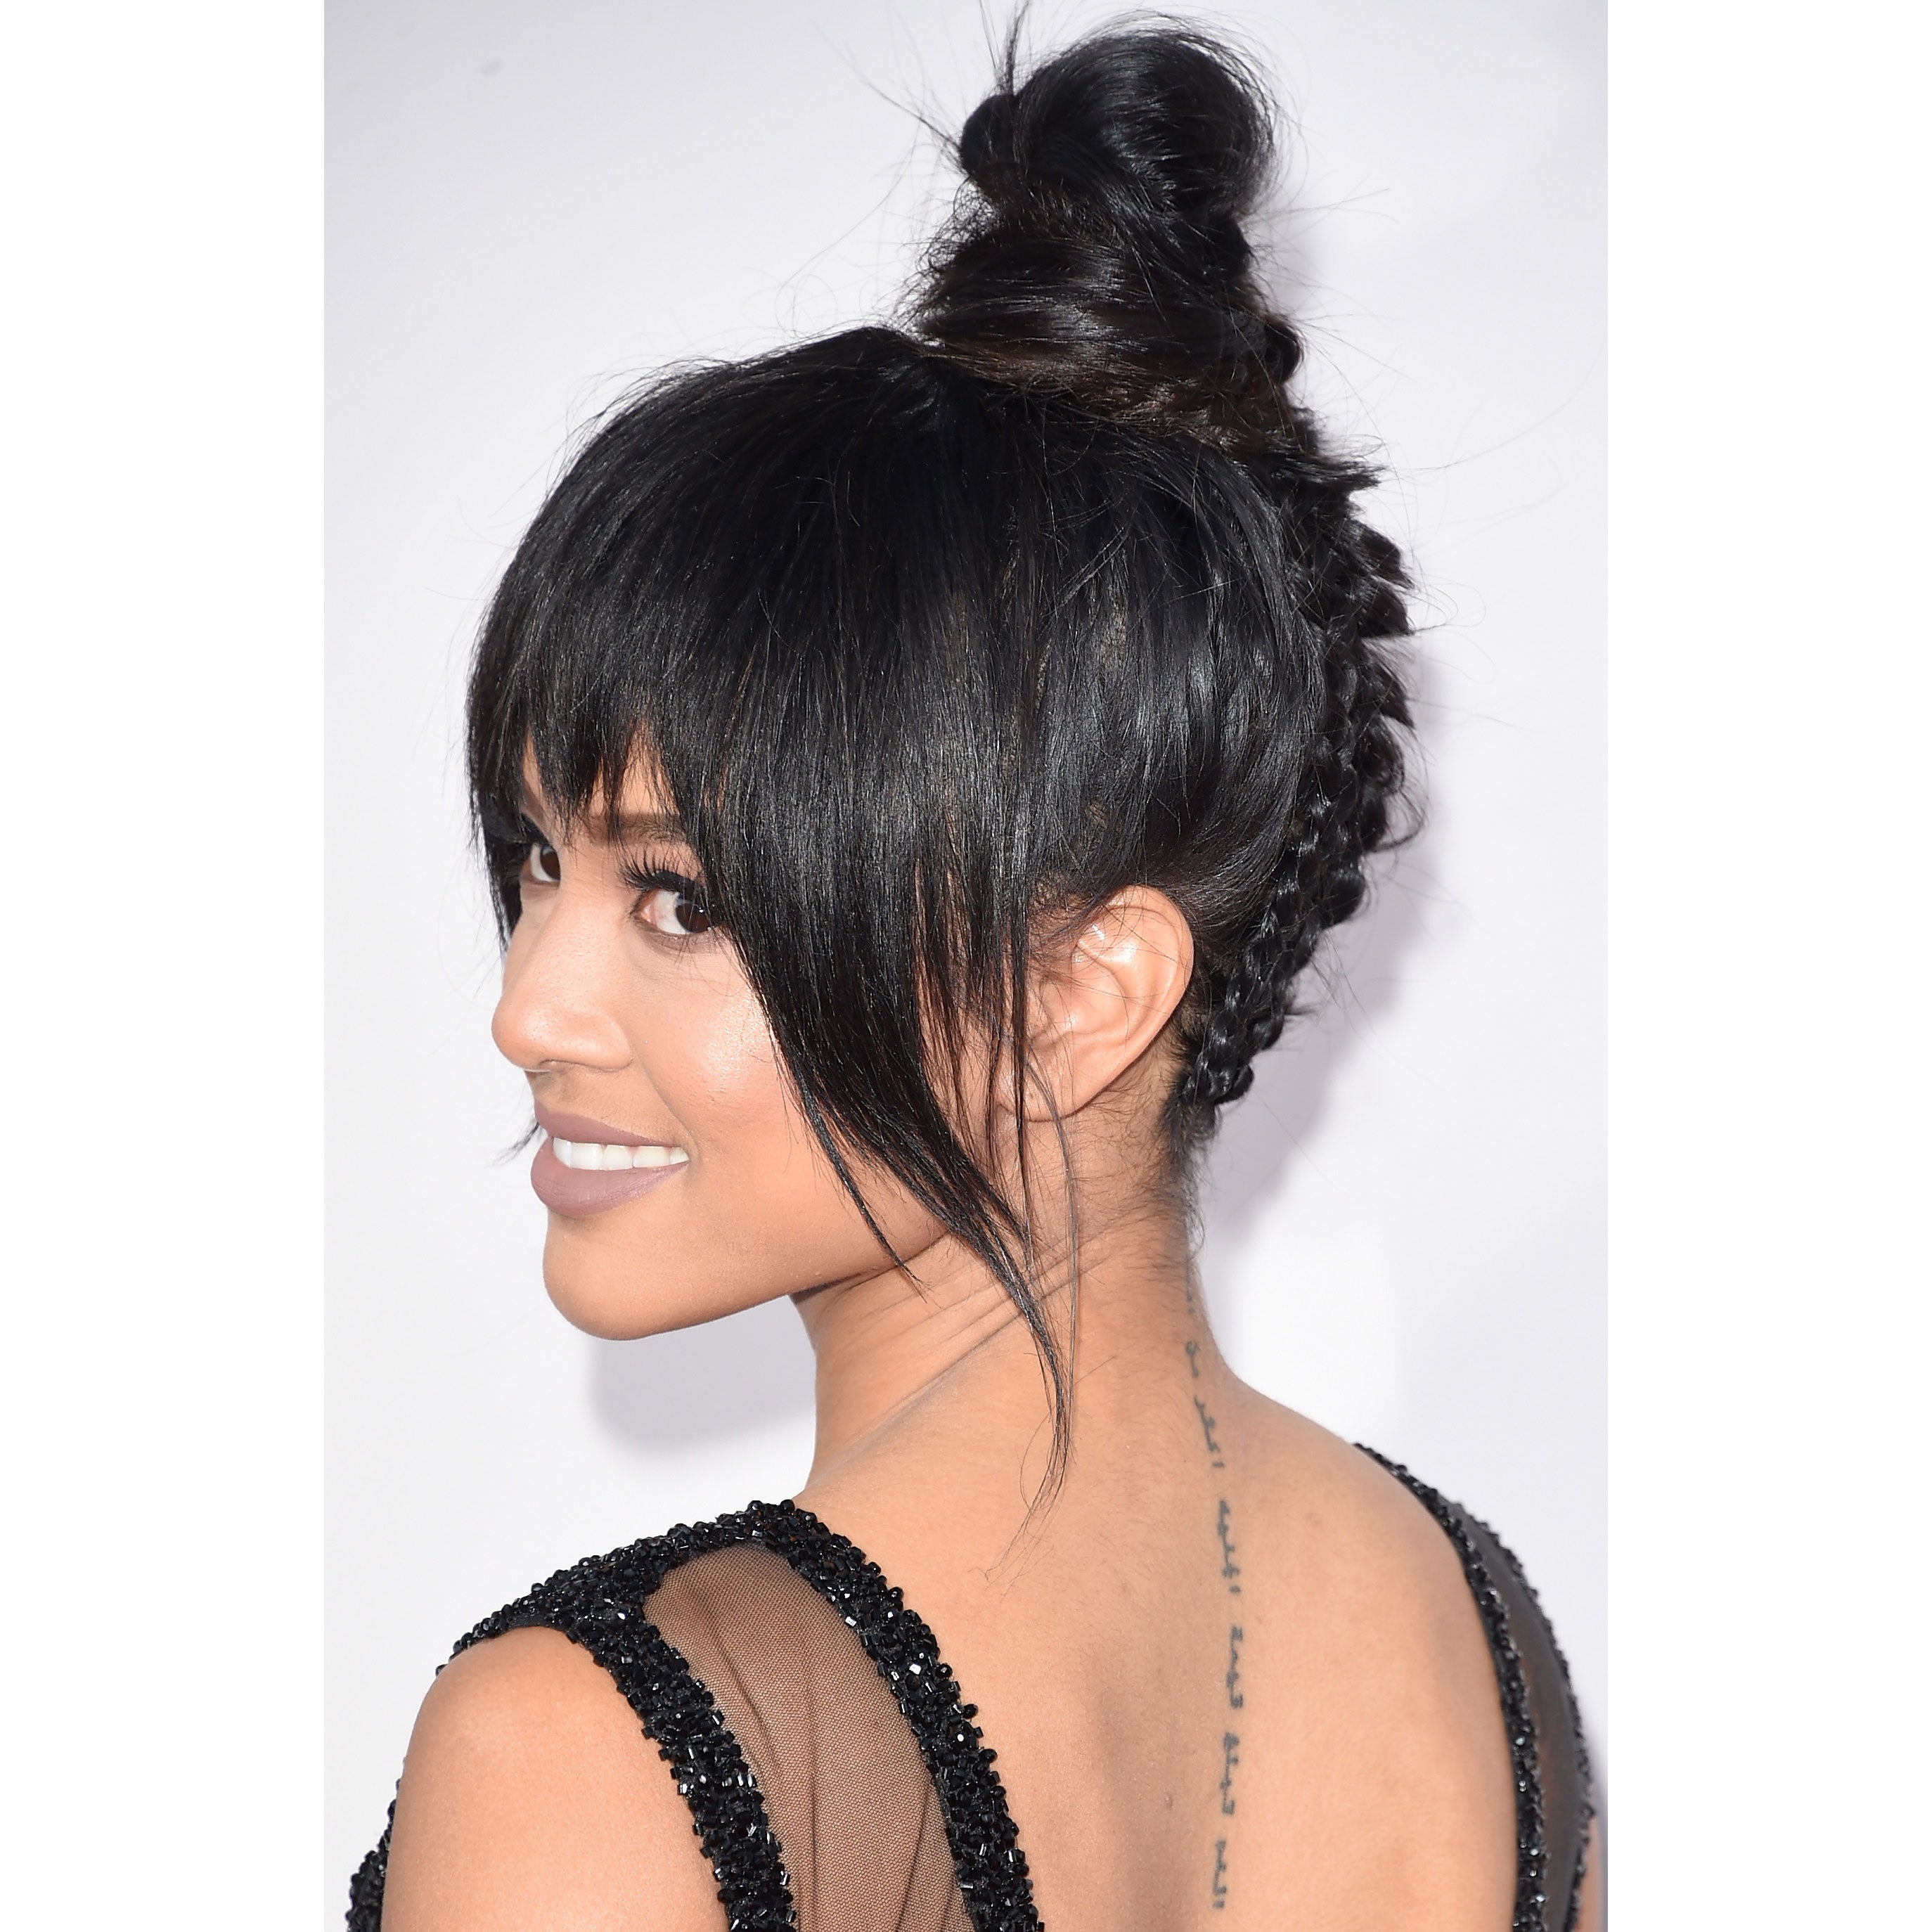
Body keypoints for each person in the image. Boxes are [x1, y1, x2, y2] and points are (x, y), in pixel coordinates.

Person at [349, 22, 1597, 1932]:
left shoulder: (595, 1757)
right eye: (536, 859)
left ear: (1084, 993)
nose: (529, 1005)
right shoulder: (1483, 1642)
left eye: (677, 898)